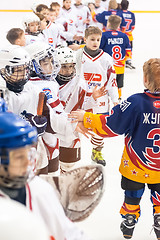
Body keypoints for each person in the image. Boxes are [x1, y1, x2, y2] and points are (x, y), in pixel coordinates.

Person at [69, 58, 160, 240]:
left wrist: (86, 117)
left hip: (135, 166)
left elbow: (111, 126)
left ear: (145, 79)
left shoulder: (136, 102)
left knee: (132, 197)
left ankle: (129, 220)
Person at [0, 100, 98, 240]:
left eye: (29, 154)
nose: (28, 162)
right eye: (19, 157)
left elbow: (70, 234)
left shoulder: (40, 191)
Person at [0, 44, 78, 175]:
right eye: (18, 70)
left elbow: (51, 118)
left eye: (25, 69)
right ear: (3, 71)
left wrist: (74, 123)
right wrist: (24, 126)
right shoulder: (3, 95)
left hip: (32, 152)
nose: (23, 74)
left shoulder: (35, 91)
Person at [56, 46, 107, 172]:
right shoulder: (49, 84)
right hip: (52, 131)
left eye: (71, 66)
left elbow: (85, 108)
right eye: (64, 66)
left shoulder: (80, 84)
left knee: (68, 167)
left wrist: (93, 99)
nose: (68, 70)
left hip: (71, 131)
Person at [79, 26, 118, 166]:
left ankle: (97, 151)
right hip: (81, 98)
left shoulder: (106, 59)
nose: (95, 42)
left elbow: (112, 81)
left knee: (99, 127)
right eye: (92, 39)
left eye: (98, 39)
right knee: (76, 125)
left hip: (101, 99)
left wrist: (115, 100)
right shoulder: (78, 56)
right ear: (85, 39)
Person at [100, 14, 131, 101]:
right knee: (118, 83)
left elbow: (99, 50)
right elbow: (128, 50)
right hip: (120, 66)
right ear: (119, 24)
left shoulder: (104, 35)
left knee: (106, 80)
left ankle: (105, 96)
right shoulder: (124, 36)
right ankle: (118, 97)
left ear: (108, 23)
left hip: (107, 66)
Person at [120, 0, 136, 69]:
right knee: (129, 47)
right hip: (129, 35)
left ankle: (121, 60)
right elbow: (132, 26)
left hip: (121, 34)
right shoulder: (131, 14)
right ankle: (128, 60)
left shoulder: (119, 13)